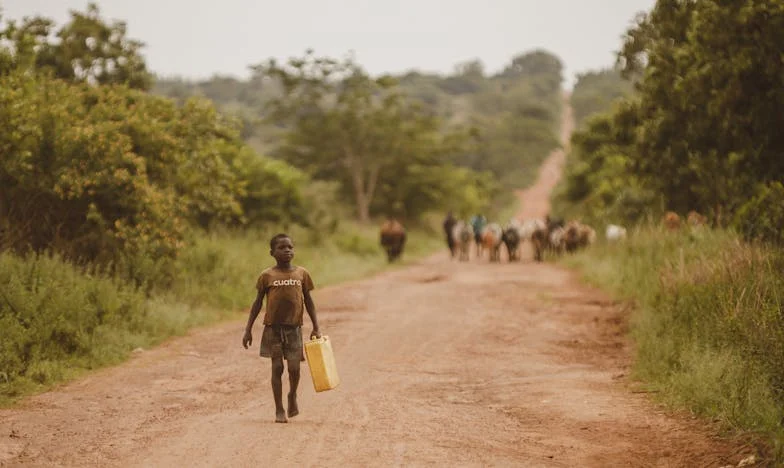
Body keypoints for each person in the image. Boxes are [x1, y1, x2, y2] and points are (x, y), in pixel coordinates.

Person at [242, 233, 321, 423]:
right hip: (273, 330)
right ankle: (279, 409)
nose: (287, 250)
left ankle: (292, 395)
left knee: (294, 369)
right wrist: (248, 329)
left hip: (294, 328)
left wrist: (316, 327)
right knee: (277, 368)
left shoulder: (302, 274)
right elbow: (257, 303)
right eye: (282, 248)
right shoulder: (267, 276)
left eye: (290, 247)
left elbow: (309, 302)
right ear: (272, 252)